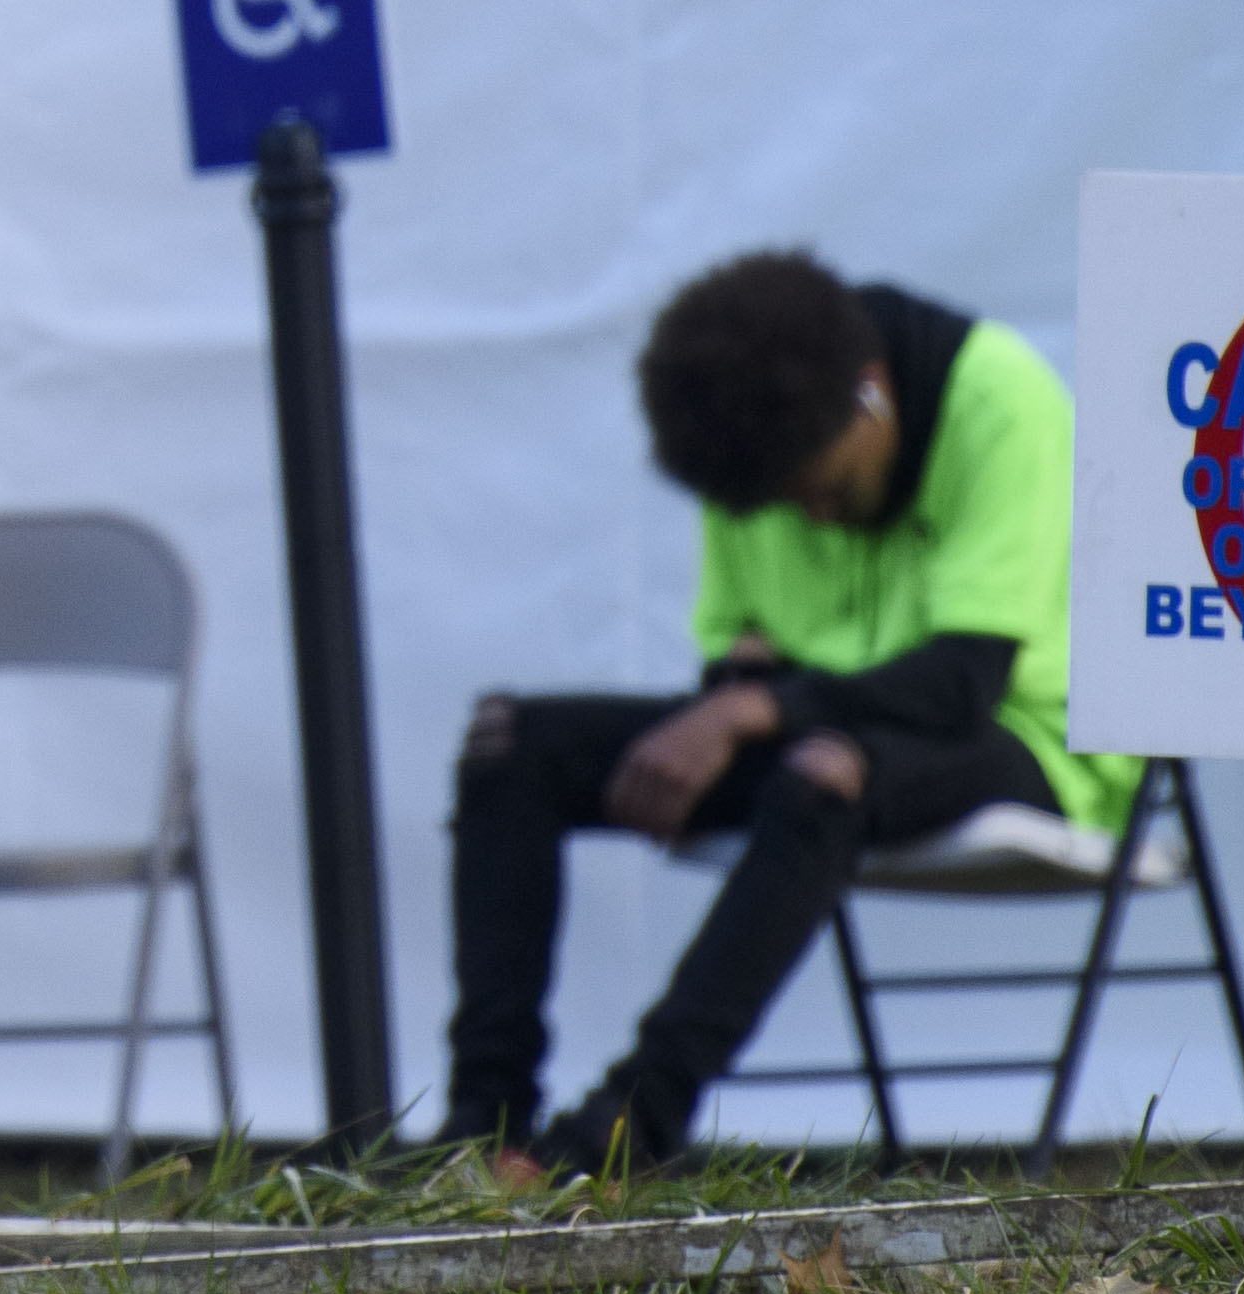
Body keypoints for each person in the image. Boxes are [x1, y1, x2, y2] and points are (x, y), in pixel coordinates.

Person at [445, 247, 1127, 1178]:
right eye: (784, 505)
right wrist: (744, 695)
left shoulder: (1002, 401)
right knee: (506, 744)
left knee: (824, 774)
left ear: (873, 391)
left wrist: (754, 703)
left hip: (1032, 744)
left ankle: (626, 1129)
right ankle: (481, 1132)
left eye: (829, 488)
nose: (813, 518)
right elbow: (736, 657)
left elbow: (963, 681)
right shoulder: (748, 441)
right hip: (826, 723)